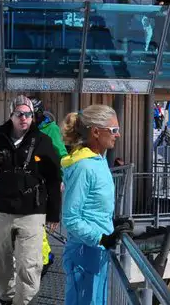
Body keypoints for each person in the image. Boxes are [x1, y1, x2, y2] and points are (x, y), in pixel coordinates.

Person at [0, 98, 63, 305]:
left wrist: (54, 213)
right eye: (19, 114)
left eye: (28, 114)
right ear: (11, 116)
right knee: (0, 260)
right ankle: (7, 299)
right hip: (2, 210)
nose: (24, 118)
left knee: (30, 264)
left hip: (32, 212)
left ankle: (23, 302)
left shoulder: (42, 141)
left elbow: (54, 178)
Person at [60, 105, 133, 305]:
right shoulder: (84, 167)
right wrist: (100, 237)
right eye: (113, 130)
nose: (117, 135)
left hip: (95, 252)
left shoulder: (98, 161)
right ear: (95, 132)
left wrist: (112, 223)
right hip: (85, 253)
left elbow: (93, 207)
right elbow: (71, 217)